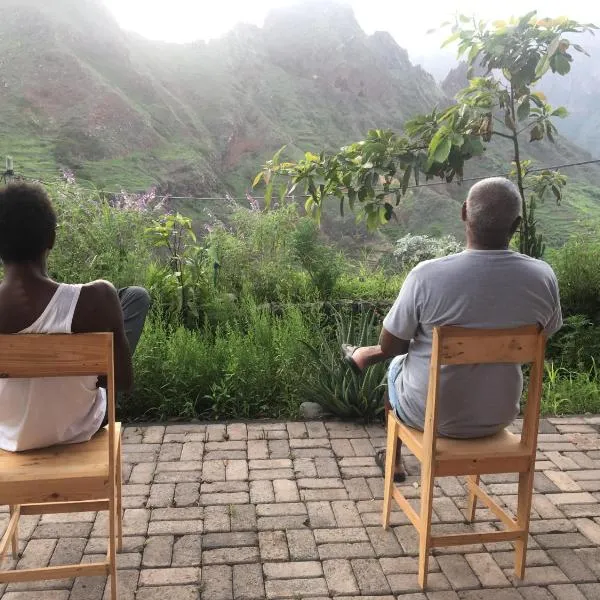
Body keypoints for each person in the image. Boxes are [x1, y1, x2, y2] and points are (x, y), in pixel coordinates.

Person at [344, 177, 562, 481]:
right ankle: (366, 357)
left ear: (463, 212)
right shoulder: (543, 277)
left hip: (429, 418)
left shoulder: (427, 276)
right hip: (498, 416)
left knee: (395, 364)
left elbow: (392, 344)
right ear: (517, 225)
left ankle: (393, 459)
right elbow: (543, 338)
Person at [0, 182, 150, 452]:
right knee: (134, 296)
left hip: (7, 433)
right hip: (79, 425)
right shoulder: (99, 297)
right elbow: (123, 382)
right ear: (51, 239)